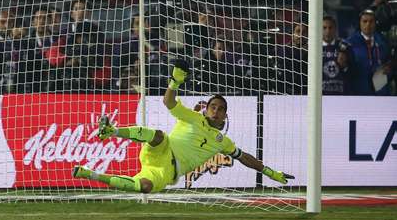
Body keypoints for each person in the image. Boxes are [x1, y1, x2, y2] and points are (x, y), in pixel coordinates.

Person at [73, 60, 294, 193]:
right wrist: (175, 82)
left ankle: (90, 175)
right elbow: (168, 102)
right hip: (161, 149)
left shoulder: (223, 142)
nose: (215, 111)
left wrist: (270, 172)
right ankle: (111, 130)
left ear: (225, 116)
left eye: (220, 109)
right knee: (158, 135)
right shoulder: (192, 117)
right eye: (212, 106)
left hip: (166, 170)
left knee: (145, 187)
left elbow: (243, 157)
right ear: (206, 109)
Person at [344, 8, 392, 95]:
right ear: (360, 23)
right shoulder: (350, 43)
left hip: (380, 93)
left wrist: (389, 69)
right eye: (365, 21)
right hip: (358, 93)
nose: (368, 24)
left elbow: (388, 63)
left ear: (375, 23)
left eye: (371, 21)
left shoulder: (383, 42)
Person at [321, 15, 349, 95]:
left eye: (330, 27)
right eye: (324, 28)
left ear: (335, 29)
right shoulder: (313, 48)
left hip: (341, 94)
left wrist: (344, 66)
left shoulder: (345, 47)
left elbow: (353, 73)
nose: (328, 31)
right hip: (320, 95)